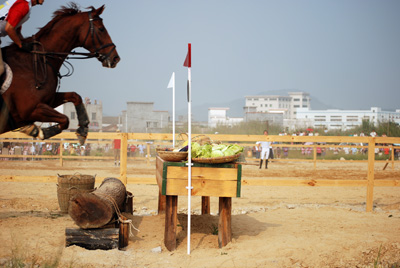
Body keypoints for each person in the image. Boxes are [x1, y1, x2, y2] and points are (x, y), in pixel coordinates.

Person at [0, 0, 45, 76]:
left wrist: (25, 44)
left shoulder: (24, 4)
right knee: (0, 69)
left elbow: (16, 32)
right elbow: (9, 28)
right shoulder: (23, 6)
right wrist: (20, 44)